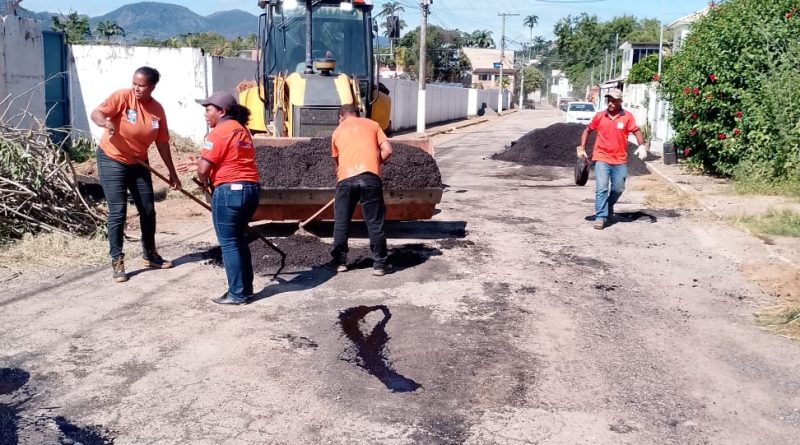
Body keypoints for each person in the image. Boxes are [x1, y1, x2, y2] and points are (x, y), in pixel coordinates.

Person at [90, 66, 181, 283]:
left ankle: (150, 254)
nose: (136, 88)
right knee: (118, 211)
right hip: (112, 159)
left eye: (142, 85)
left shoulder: (157, 110)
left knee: (148, 209)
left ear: (152, 87)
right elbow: (96, 113)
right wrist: (105, 122)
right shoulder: (123, 97)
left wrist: (172, 173)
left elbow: (162, 143)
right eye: (134, 83)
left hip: (139, 162)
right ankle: (117, 260)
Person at [194, 92, 261, 305]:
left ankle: (237, 294)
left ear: (221, 111)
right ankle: (245, 289)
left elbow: (203, 169)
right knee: (239, 240)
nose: (205, 114)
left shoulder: (218, 133)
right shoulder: (242, 130)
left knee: (229, 243)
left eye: (208, 109)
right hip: (251, 189)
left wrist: (204, 182)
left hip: (229, 191)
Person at [328, 104, 393, 276]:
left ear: (340, 117)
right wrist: (374, 163)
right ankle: (380, 265)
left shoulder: (337, 131)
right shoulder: (373, 125)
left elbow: (338, 163)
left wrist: (345, 180)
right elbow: (388, 150)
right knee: (375, 222)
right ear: (358, 114)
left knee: (341, 222)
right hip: (370, 177)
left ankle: (339, 263)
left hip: (346, 179)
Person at [577, 88, 647, 230]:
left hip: (620, 160)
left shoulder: (627, 117)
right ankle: (600, 217)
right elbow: (587, 130)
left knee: (618, 188)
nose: (610, 103)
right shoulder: (600, 116)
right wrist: (582, 147)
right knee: (602, 187)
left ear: (620, 101)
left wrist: (642, 146)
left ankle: (609, 205)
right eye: (609, 100)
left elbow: (636, 131)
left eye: (614, 101)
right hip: (601, 157)